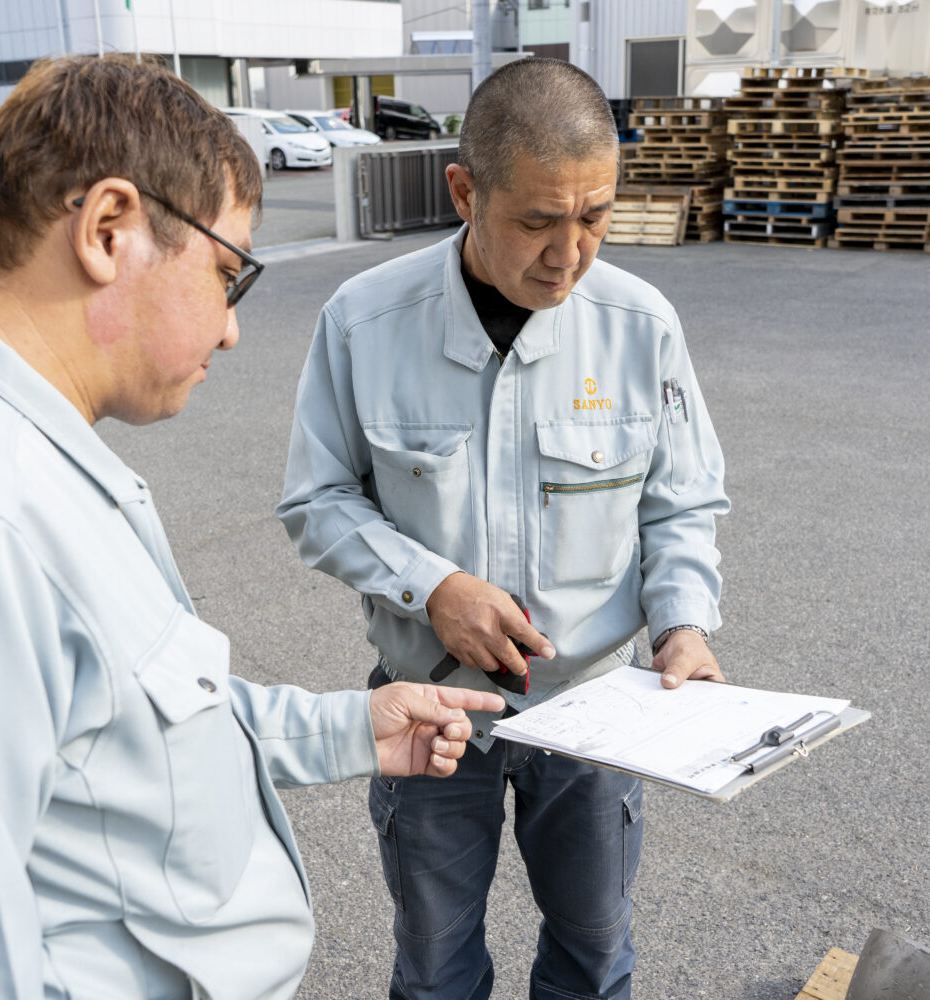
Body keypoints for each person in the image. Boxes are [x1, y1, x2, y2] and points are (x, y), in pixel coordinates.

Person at [0, 54, 503, 1000]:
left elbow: (120, 733)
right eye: (227, 275)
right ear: (108, 230)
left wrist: (349, 728)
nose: (234, 328)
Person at [277, 58, 731, 1000]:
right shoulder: (364, 324)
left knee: (594, 955)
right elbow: (316, 500)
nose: (570, 254)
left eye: (595, 217)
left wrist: (684, 623)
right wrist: (432, 588)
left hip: (596, 714)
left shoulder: (640, 326)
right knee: (437, 966)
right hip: (434, 714)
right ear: (463, 192)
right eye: (537, 221)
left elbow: (680, 501)